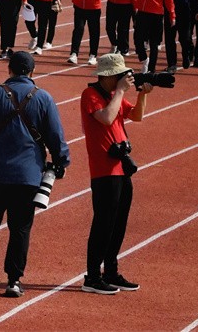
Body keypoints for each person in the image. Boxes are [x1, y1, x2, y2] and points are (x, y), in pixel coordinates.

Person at [0, 51, 71, 298]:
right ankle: (13, 280)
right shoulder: (43, 97)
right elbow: (56, 136)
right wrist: (61, 162)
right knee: (20, 227)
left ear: (9, 70)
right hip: (28, 175)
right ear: (32, 72)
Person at [80, 53, 150, 295]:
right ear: (108, 76)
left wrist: (142, 94)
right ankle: (92, 276)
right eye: (119, 76)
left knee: (119, 223)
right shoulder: (91, 95)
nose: (123, 79)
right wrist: (121, 92)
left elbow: (137, 116)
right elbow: (107, 118)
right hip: (104, 170)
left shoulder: (113, 95)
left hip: (122, 169)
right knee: (103, 224)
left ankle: (110, 270)